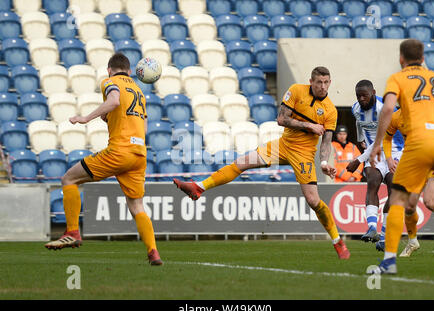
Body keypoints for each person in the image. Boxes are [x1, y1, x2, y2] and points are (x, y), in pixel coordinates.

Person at [174, 66, 351, 260]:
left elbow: (326, 141)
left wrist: (324, 162)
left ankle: (337, 241)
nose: (323, 86)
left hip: (304, 155)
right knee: (241, 163)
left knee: (313, 201)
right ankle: (198, 187)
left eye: (326, 82)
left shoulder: (330, 111)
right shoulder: (296, 91)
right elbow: (281, 119)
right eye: (319, 82)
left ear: (330, 82)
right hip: (282, 146)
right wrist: (308, 125)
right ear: (311, 81)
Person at [45, 53, 163, 266]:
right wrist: (111, 116)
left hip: (120, 151)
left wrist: (85, 118)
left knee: (69, 179)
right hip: (139, 154)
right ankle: (153, 252)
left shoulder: (110, 81)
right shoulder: (139, 91)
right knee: (137, 206)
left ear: (109, 70)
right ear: (129, 71)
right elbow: (143, 126)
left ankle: (72, 231)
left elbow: (114, 100)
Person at [368, 39, 434, 274]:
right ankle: (413, 239)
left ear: (401, 59)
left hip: (420, 144)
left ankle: (389, 263)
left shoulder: (398, 78)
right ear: (423, 59)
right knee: (417, 203)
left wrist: (375, 145)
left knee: (398, 201)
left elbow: (386, 108)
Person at [382, 108, 434, 257]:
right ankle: (413, 241)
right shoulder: (396, 117)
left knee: (430, 202)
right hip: (413, 165)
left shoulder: (427, 113)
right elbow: (386, 139)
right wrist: (388, 158)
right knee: (409, 207)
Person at [349, 80, 404, 243]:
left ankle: (384, 234)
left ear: (373, 92)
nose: (361, 99)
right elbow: (359, 122)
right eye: (358, 96)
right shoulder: (356, 108)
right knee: (372, 181)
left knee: (393, 190)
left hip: (394, 150)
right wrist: (360, 139)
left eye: (364, 95)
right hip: (373, 153)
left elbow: (381, 139)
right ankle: (372, 228)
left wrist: (358, 160)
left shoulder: (385, 109)